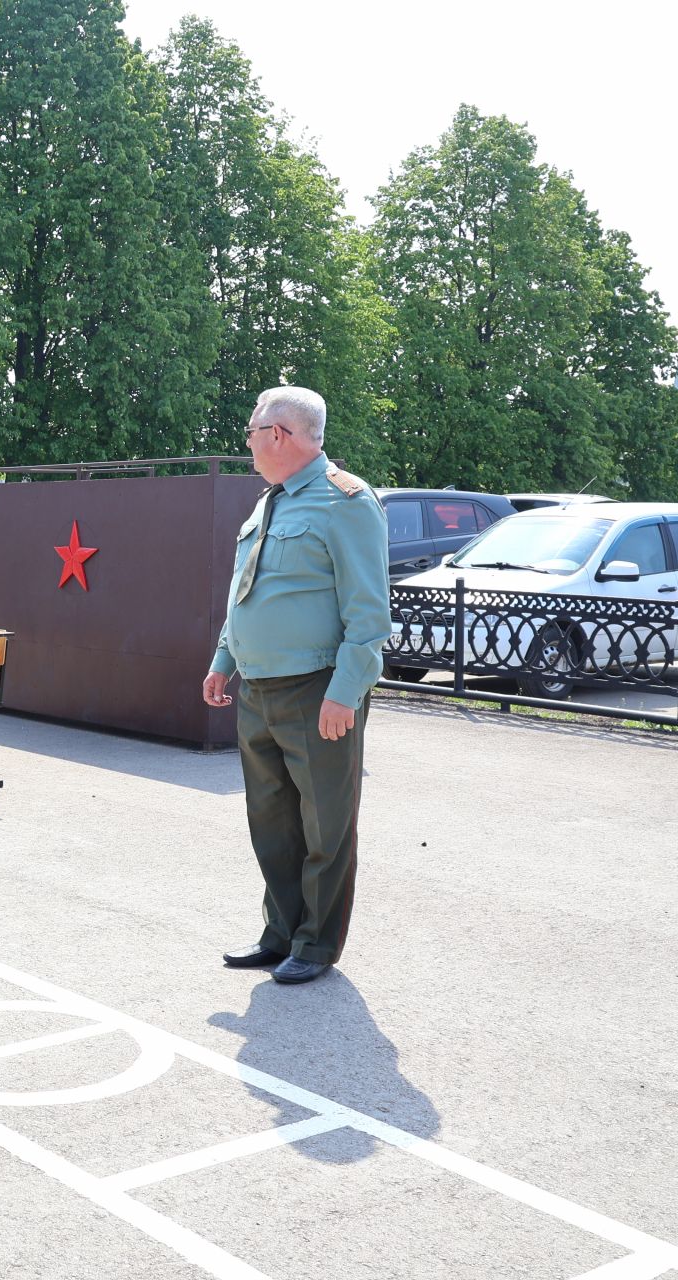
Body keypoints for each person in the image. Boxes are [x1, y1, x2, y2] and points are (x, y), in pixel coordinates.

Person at [201, 387, 389, 985]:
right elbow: (245, 592)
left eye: (252, 433)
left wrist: (345, 691)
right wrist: (223, 659)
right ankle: (280, 932)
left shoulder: (346, 502)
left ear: (279, 434)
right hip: (256, 688)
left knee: (324, 824)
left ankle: (315, 943)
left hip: (316, 689)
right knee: (272, 821)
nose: (249, 444)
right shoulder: (268, 504)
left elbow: (369, 614)